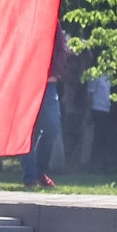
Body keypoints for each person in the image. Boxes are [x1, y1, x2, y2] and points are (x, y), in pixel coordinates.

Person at [24, 22, 72, 190]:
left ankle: (39, 170)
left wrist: (55, 73)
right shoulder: (20, 16)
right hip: (24, 83)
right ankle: (30, 176)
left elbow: (61, 48)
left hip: (47, 83)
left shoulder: (50, 18)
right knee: (26, 130)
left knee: (52, 126)